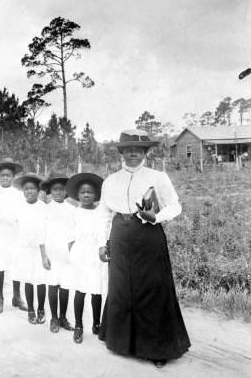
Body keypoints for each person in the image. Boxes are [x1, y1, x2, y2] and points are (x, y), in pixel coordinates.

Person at [98, 129, 190, 368]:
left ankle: (158, 348)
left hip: (147, 233)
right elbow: (104, 215)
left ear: (145, 152)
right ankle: (122, 343)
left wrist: (156, 217)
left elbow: (175, 206)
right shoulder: (111, 180)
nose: (132, 155)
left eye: (137, 150)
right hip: (119, 234)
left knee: (152, 288)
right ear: (121, 152)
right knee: (121, 287)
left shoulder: (158, 177)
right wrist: (102, 242)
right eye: (128, 150)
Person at [64, 173, 107, 344]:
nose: (86, 195)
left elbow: (105, 232)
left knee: (96, 291)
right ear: (78, 195)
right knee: (80, 291)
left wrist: (102, 248)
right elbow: (70, 236)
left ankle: (97, 324)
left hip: (95, 253)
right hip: (80, 253)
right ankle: (79, 326)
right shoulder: (75, 213)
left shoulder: (101, 213)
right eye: (83, 192)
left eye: (90, 192)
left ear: (95, 194)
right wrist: (72, 256)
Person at [10, 173, 52, 324]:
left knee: (40, 280)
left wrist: (44, 254)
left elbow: (44, 231)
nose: (29, 191)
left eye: (32, 188)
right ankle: (30, 309)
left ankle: (41, 308)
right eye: (26, 189)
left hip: (40, 249)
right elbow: (15, 228)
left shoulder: (43, 208)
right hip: (24, 248)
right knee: (28, 279)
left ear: (38, 190)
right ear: (23, 191)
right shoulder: (19, 208)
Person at [0, 157, 27, 313]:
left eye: (8, 175)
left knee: (16, 265)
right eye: (3, 175)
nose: (5, 178)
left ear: (13, 177)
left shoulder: (18, 194)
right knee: (0, 266)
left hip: (15, 234)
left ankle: (16, 297)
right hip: (0, 233)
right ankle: (0, 299)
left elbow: (22, 217)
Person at [41, 173, 76, 333]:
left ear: (67, 191)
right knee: (53, 284)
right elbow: (40, 234)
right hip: (51, 251)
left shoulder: (72, 209)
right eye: (55, 189)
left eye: (62, 189)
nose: (58, 192)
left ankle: (63, 317)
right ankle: (53, 317)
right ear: (50, 191)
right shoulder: (45, 209)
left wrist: (73, 254)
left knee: (65, 285)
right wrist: (44, 255)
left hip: (66, 252)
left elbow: (74, 233)